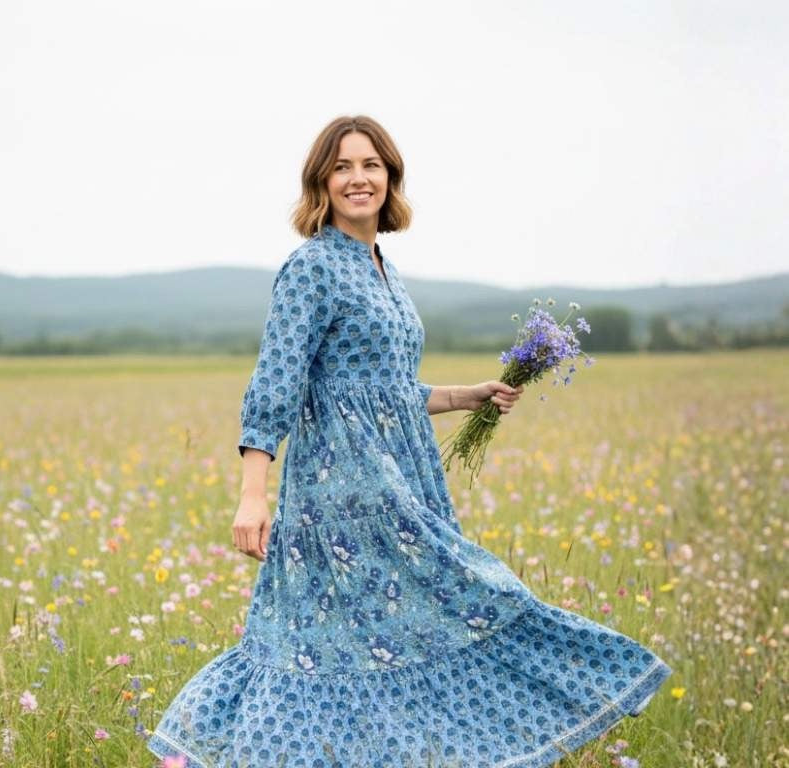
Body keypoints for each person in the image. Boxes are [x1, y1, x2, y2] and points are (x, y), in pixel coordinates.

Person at [146, 115, 672, 767]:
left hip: (404, 481)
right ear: (321, 183)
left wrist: (467, 395)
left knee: (383, 636)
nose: (357, 178)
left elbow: (389, 389)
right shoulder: (312, 267)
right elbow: (274, 383)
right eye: (341, 167)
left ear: (391, 176)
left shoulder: (383, 269)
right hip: (341, 491)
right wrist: (253, 495)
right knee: (418, 609)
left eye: (370, 164)